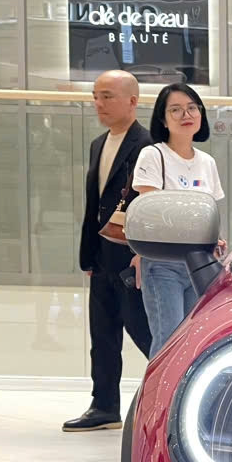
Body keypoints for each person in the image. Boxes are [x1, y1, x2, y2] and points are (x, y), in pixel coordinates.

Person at [66, 69, 154, 433]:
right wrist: (88, 255)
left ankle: (175, 393)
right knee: (102, 335)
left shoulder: (148, 146)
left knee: (144, 331)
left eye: (107, 96)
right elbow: (95, 205)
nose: (98, 104)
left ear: (132, 101)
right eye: (95, 96)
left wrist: (146, 252)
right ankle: (103, 405)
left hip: (132, 258)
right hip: (102, 257)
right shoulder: (98, 144)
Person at [131, 84, 226, 357]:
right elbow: (150, 212)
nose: (186, 114)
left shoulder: (207, 162)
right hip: (163, 263)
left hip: (199, 263)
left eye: (192, 108)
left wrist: (215, 239)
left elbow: (209, 213)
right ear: (163, 119)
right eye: (175, 109)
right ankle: (159, 388)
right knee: (167, 342)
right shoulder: (154, 155)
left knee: (193, 342)